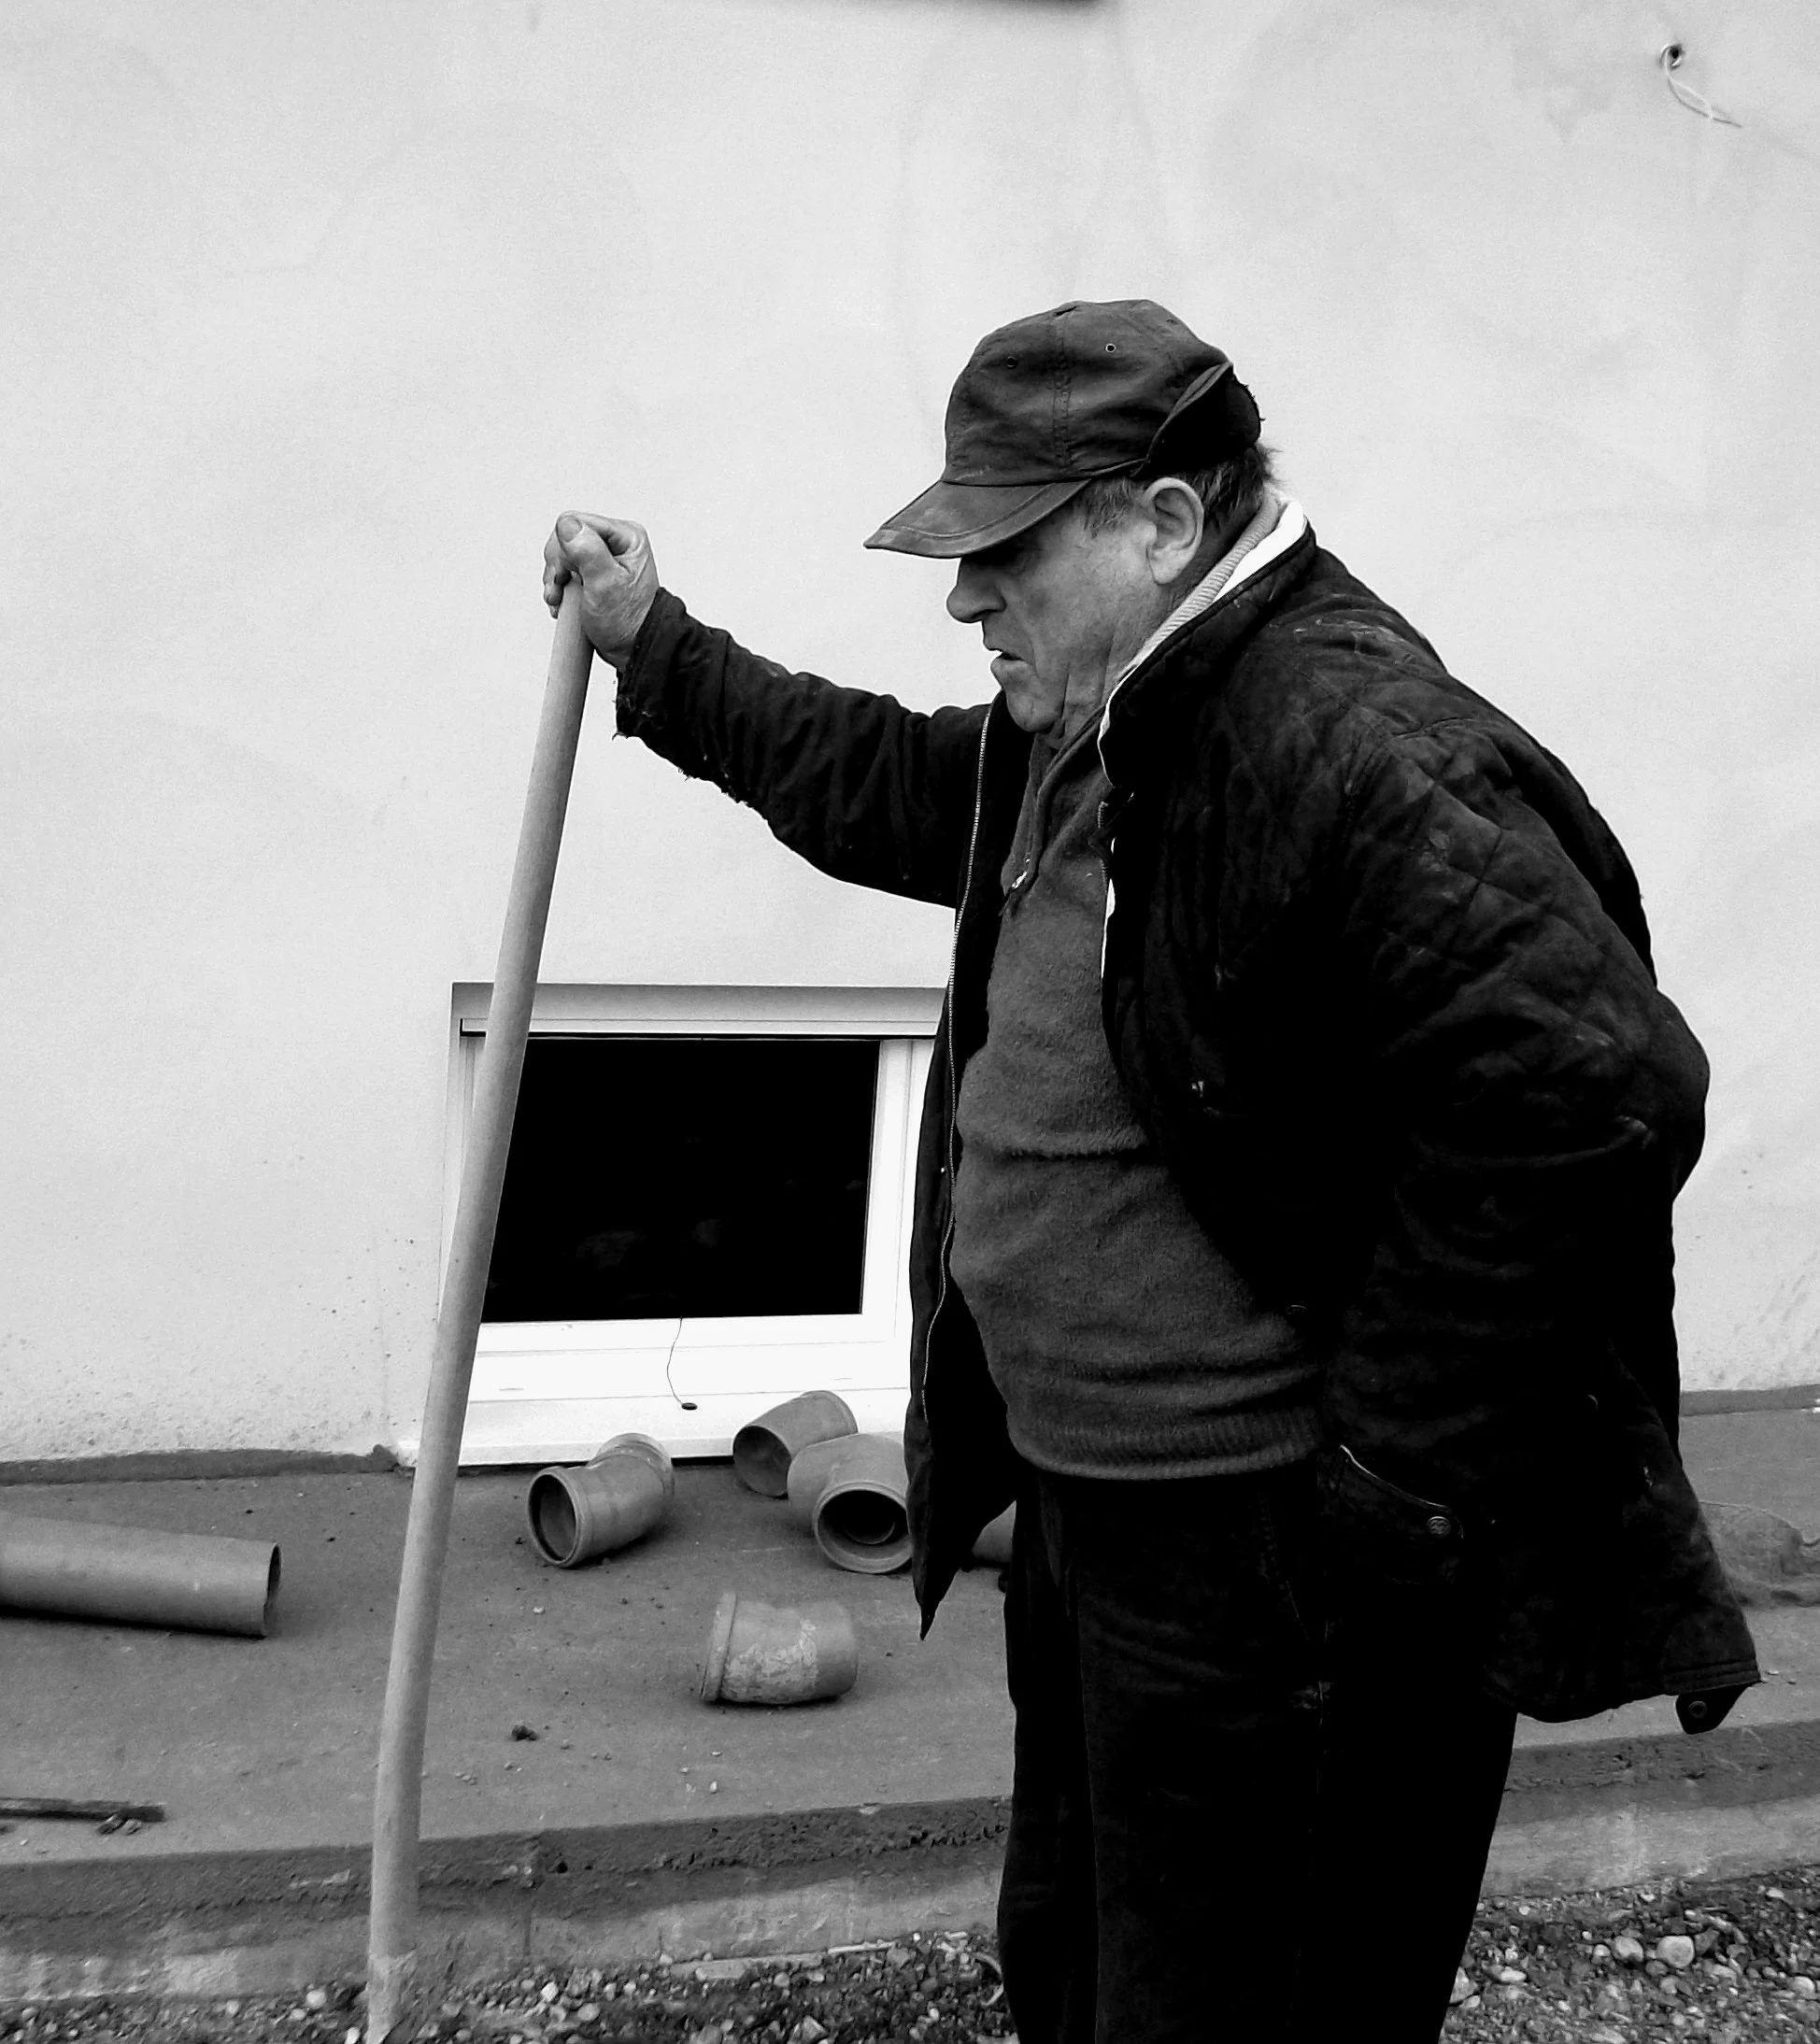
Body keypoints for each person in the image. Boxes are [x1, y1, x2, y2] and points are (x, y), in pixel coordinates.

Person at [541, 298, 1756, 2043]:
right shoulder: (1108, 719)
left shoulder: (1345, 747)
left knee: (1246, 2007)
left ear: (1164, 523)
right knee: (1092, 1968)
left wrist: (1379, 1478)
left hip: (1277, 1577)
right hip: (1105, 1526)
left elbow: (1596, 1094)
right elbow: (882, 776)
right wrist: (653, 648)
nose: (966, 598)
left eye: (1005, 553)